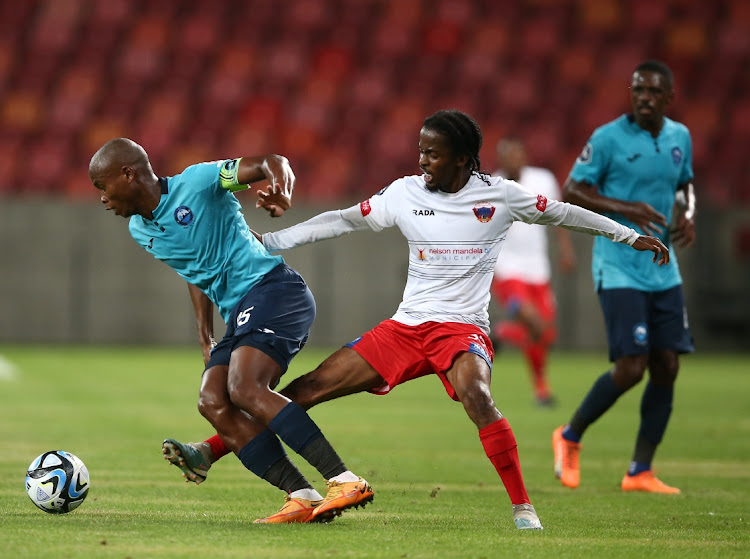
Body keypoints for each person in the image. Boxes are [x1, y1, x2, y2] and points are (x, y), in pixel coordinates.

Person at [164, 109, 671, 531]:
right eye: (420, 150)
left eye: (431, 152)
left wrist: (629, 236)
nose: (421, 160)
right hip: (405, 328)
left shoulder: (501, 196)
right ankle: (211, 450)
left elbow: (565, 213)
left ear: (462, 159)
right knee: (307, 388)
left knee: (478, 395)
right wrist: (272, 242)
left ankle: (523, 507)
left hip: (461, 329)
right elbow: (342, 220)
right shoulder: (405, 193)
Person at [88, 139, 373, 524]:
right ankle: (302, 497)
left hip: (275, 290)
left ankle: (344, 479)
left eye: (102, 187)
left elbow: (274, 162)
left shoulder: (199, 181)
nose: (102, 199)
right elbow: (193, 269)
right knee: (212, 401)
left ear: (128, 174)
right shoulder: (141, 230)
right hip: (241, 312)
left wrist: (280, 189)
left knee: (245, 388)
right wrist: (205, 335)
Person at [552, 60, 696, 494]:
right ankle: (570, 435)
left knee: (667, 365)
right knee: (631, 367)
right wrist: (628, 209)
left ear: (668, 97)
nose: (644, 98)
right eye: (638, 91)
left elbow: (685, 186)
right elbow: (572, 191)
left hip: (663, 267)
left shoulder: (680, 137)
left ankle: (640, 471)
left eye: (653, 92)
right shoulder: (608, 137)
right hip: (617, 266)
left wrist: (688, 215)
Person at [490, 138, 576, 407]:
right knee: (534, 322)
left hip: (538, 269)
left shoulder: (542, 180)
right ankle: (539, 385)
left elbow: (558, 215)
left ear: (524, 157)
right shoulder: (492, 186)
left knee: (545, 334)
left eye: (517, 155)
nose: (513, 161)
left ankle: (539, 386)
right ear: (501, 161)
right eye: (508, 157)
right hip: (506, 269)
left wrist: (565, 249)